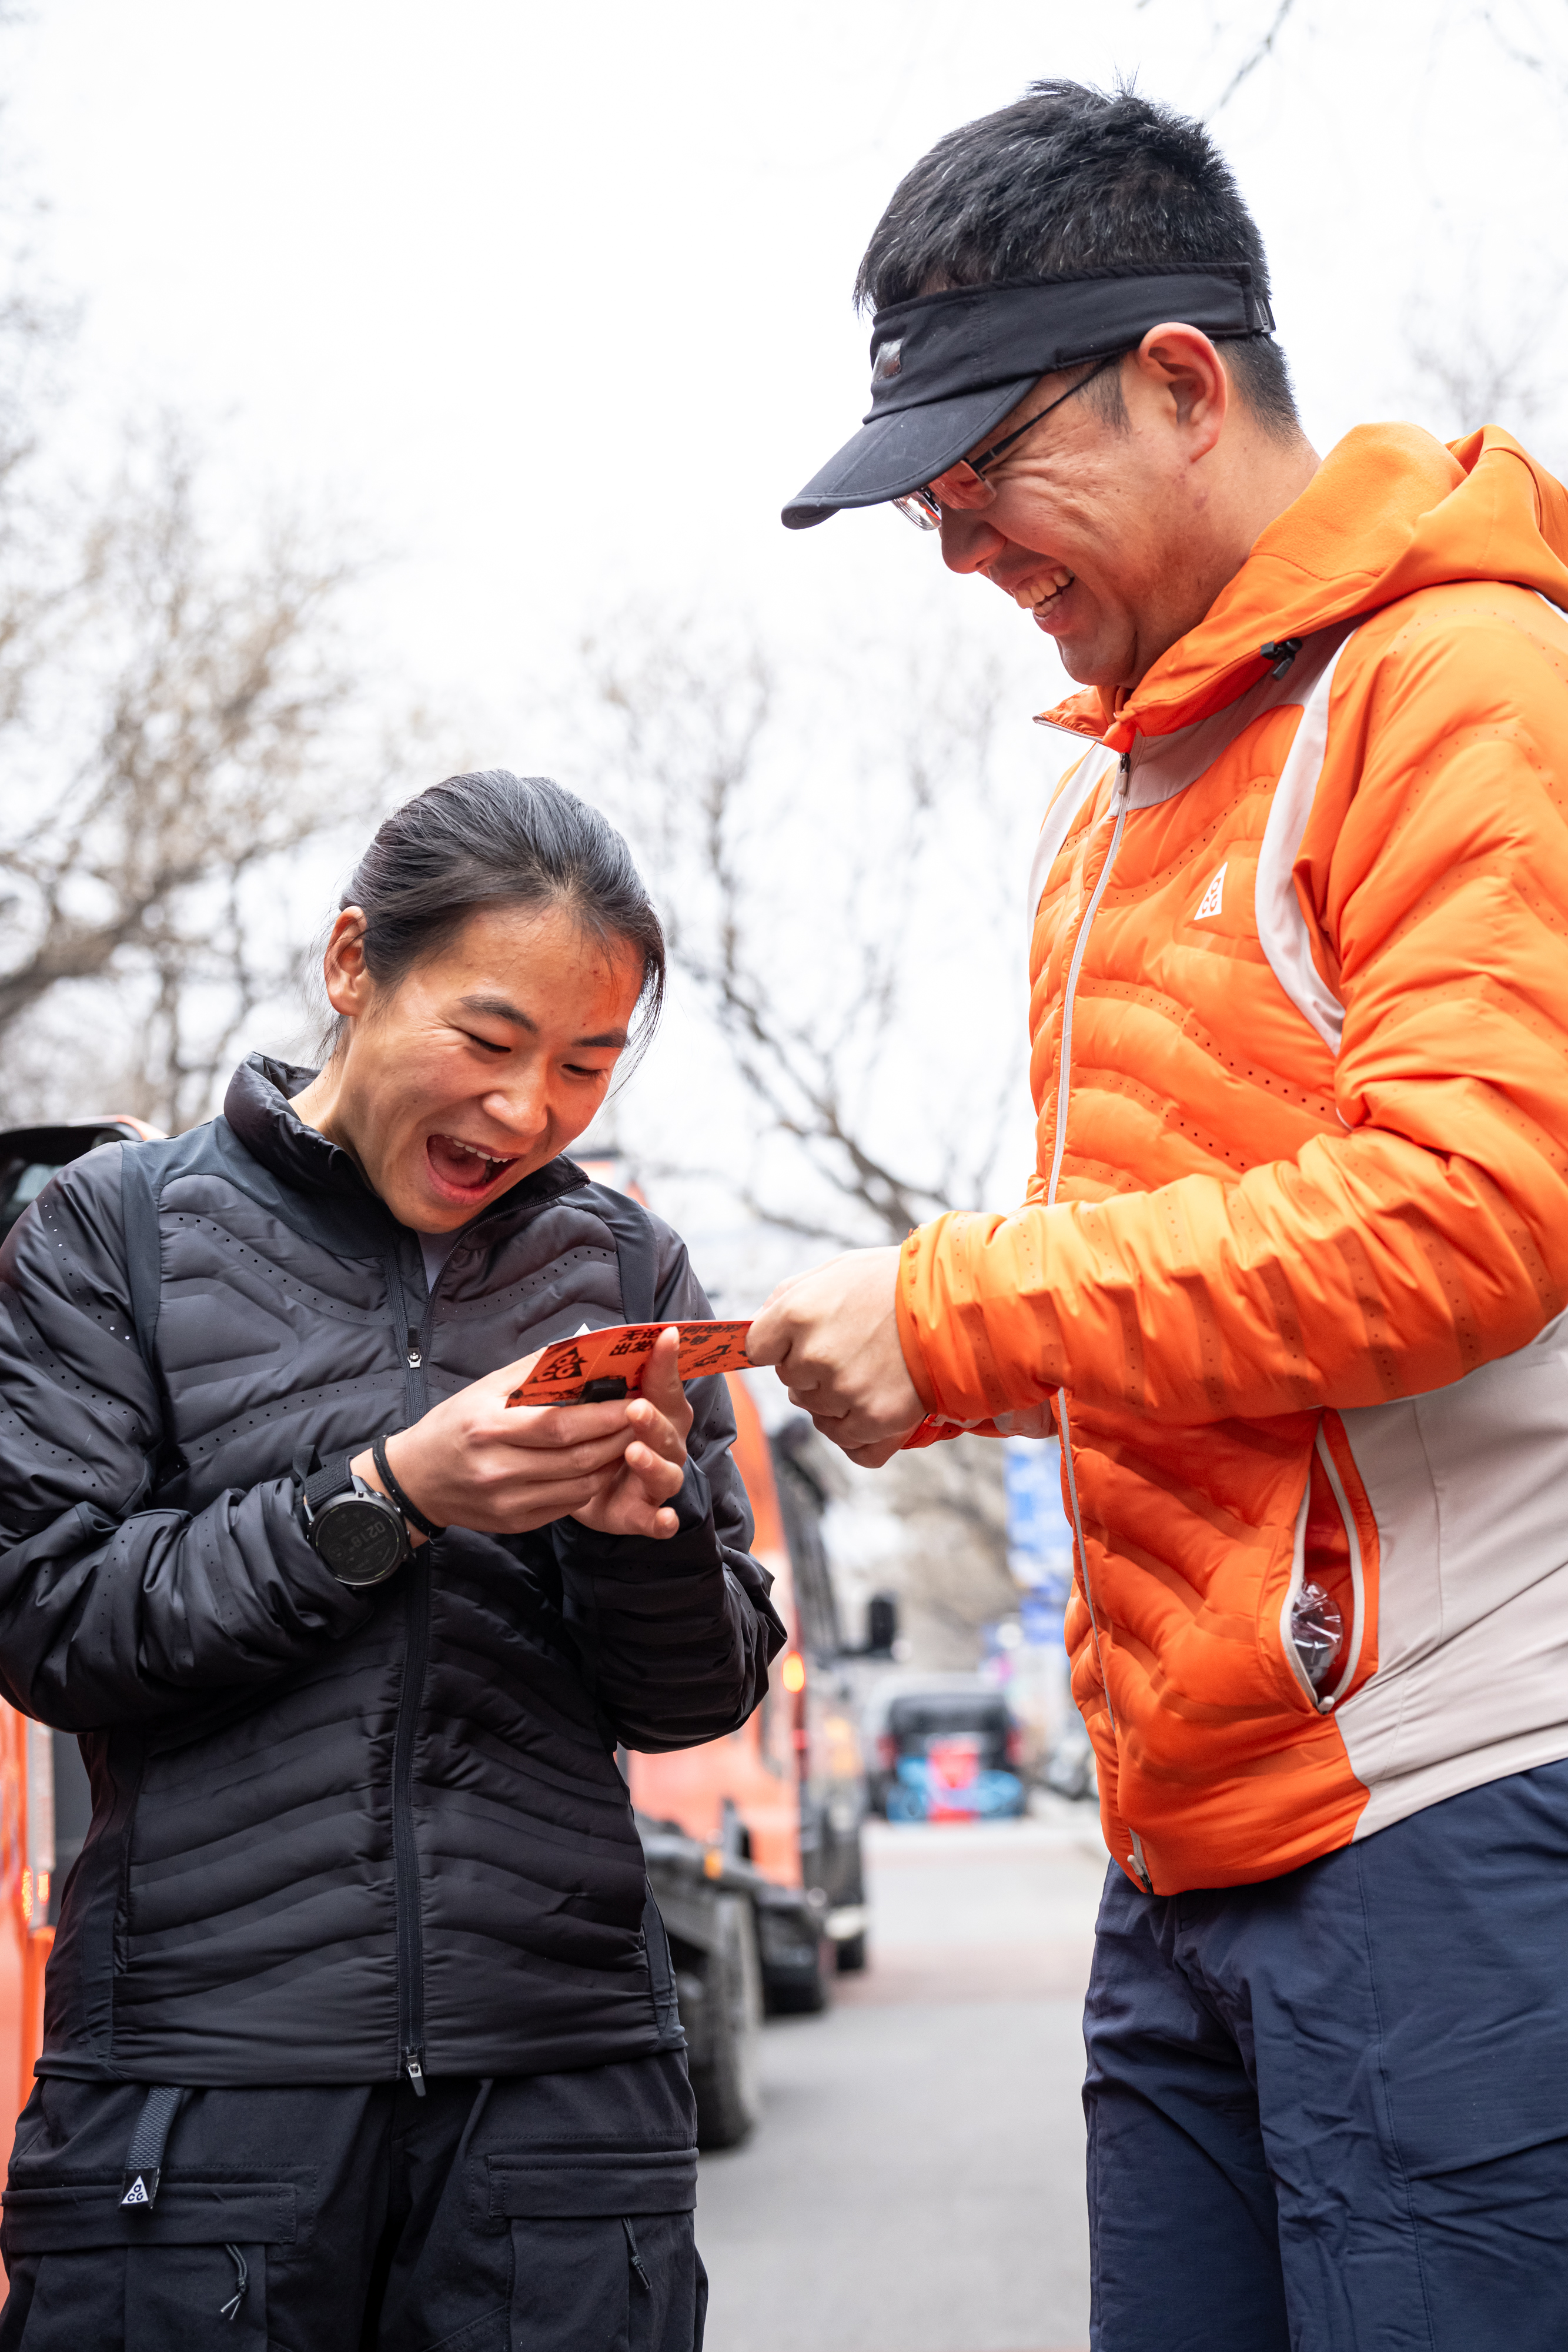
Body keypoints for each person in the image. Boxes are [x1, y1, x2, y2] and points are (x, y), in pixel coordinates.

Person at [750, 78, 1568, 2351]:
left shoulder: (1460, 680)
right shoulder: (1110, 805)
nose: (960, 552)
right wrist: (927, 1361)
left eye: (979, 476)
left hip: (1441, 1799)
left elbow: (1466, 1216)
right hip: (1179, 1839)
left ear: (1181, 383)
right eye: (924, 508)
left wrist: (966, 1316)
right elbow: (1175, 1296)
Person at [0, 769, 783, 2349]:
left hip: (560, 2116)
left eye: (585, 1065)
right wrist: (390, 1495)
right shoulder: (111, 1231)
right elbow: (51, 1619)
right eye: (489, 1041)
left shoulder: (626, 1266)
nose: (529, 1110)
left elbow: (697, 1696)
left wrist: (639, 1543)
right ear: (354, 964)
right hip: (198, 2104)